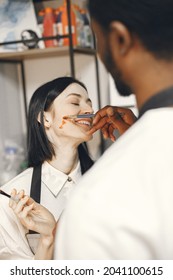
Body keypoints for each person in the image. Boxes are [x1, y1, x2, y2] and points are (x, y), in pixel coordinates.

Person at [51, 0, 173, 259]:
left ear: (119, 39)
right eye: (74, 102)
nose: (85, 109)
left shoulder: (97, 201)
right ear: (44, 119)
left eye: (97, 37)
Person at [0, 76, 135, 260]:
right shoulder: (11, 198)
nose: (89, 110)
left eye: (89, 103)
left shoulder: (111, 183)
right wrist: (48, 239)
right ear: (44, 118)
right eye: (74, 102)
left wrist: (136, 133)